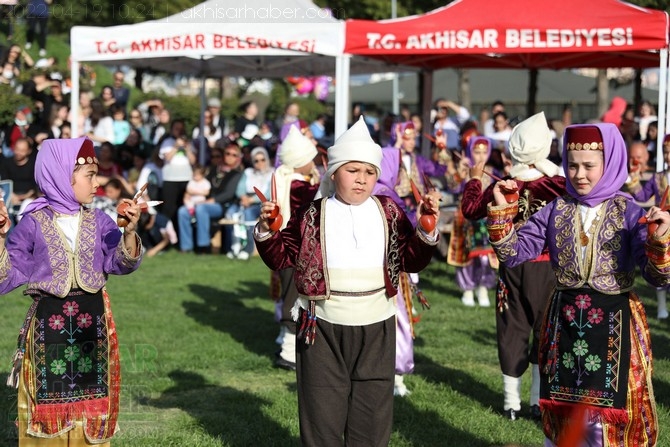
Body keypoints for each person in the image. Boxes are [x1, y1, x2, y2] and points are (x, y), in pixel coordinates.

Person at [254, 116, 440, 446]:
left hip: (377, 323)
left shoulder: (388, 211)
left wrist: (425, 230)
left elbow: (410, 258)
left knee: (372, 414)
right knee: (322, 413)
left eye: (370, 172)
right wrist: (268, 230)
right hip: (322, 325)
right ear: (334, 172)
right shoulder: (313, 213)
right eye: (353, 171)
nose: (361, 180)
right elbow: (281, 257)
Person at [486, 123, 669, 446]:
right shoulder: (557, 209)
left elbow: (657, 276)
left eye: (589, 166)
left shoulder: (628, 211)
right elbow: (514, 253)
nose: (579, 174)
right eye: (572, 165)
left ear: (610, 162)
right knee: (566, 416)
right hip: (565, 326)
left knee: (612, 423)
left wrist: (659, 240)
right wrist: (502, 214)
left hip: (618, 324)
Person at [0, 136, 142, 444]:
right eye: (90, 175)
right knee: (49, 408)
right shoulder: (32, 224)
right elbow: (6, 277)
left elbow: (122, 263)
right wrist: (0, 237)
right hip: (48, 328)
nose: (97, 182)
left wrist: (128, 233)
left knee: (92, 405)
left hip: (94, 325)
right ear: (63, 176)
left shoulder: (100, 220)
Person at [460, 112, 566, 421]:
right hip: (550, 270)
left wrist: (473, 180)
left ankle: (511, 403)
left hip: (512, 267)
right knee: (545, 332)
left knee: (512, 329)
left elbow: (469, 209)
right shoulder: (560, 185)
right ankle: (536, 401)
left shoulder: (506, 185)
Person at [266, 126, 321, 370]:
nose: (314, 162)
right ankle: (288, 353)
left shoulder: (286, 179)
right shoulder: (300, 186)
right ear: (301, 162)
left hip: (284, 247)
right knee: (293, 297)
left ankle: (284, 339)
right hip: (296, 249)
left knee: (289, 293)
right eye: (310, 159)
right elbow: (319, 199)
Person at [447, 136, 499, 308]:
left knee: (486, 258)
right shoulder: (465, 170)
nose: (481, 156)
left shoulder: (492, 172)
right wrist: (460, 174)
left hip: (486, 220)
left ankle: (483, 288)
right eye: (477, 152)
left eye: (484, 152)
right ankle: (467, 290)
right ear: (470, 152)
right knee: (465, 257)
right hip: (465, 219)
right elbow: (452, 187)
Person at [626, 135, 670, 320]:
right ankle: (661, 305)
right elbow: (643, 197)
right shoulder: (658, 177)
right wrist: (633, 181)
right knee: (659, 262)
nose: (668, 156)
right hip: (661, 229)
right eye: (666, 152)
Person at [177, 143, 242, 254]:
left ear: (237, 158)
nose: (230, 157)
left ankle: (203, 246)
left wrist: (211, 200)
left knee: (202, 209)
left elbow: (229, 194)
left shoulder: (236, 174)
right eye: (227, 153)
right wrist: (190, 194)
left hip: (222, 206)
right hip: (202, 201)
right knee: (182, 211)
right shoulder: (213, 170)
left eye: (234, 155)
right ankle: (186, 247)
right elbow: (201, 184)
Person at [228, 146, 273, 260]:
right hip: (244, 201)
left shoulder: (272, 173)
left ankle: (248, 248)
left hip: (261, 203)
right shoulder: (248, 172)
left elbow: (268, 193)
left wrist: (251, 200)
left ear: (266, 160)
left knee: (248, 215)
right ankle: (235, 245)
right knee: (230, 213)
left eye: (262, 160)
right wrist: (243, 198)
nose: (260, 163)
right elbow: (240, 188)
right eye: (256, 160)